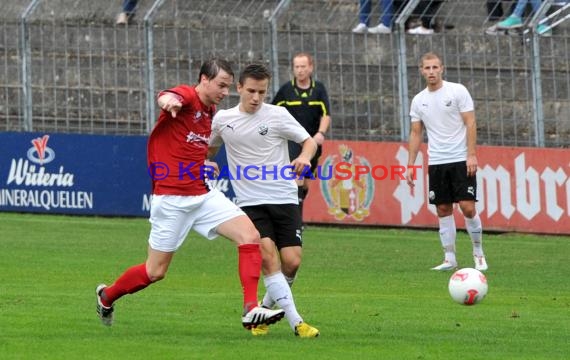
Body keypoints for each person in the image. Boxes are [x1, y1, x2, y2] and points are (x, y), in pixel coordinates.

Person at [95, 59, 285, 330]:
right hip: (171, 200)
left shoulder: (210, 112)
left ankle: (250, 308)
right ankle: (107, 296)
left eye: (228, 87)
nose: (224, 92)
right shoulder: (186, 97)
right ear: (204, 80)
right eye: (220, 85)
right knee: (155, 271)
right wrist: (168, 101)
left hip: (203, 195)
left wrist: (202, 164)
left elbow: (188, 145)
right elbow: (169, 96)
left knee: (250, 235)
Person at [208, 63, 320, 338]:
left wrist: (304, 157)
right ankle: (297, 323)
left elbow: (309, 142)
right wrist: (205, 163)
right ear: (239, 88)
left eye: (262, 92)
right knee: (269, 256)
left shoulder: (278, 115)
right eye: (251, 91)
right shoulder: (223, 119)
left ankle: (263, 311)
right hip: (250, 202)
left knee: (291, 262)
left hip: (284, 197)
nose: (256, 97)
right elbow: (208, 149)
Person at [406, 52, 488, 272]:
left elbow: (470, 122)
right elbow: (416, 133)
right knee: (443, 208)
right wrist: (410, 165)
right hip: (437, 161)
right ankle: (449, 257)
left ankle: (478, 253)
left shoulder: (457, 91)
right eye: (427, 68)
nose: (431, 72)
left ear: (442, 68)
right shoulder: (419, 100)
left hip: (461, 158)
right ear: (421, 71)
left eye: (435, 67)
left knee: (467, 207)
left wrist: (471, 154)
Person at [272, 53, 331, 227]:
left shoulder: (318, 89)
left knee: (305, 183)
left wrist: (321, 133)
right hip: (292, 141)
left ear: (310, 68)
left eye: (303, 66)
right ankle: (296, 222)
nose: (299, 70)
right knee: (295, 176)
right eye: (296, 67)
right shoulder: (286, 90)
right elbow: (272, 111)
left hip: (312, 142)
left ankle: (298, 204)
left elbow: (326, 114)